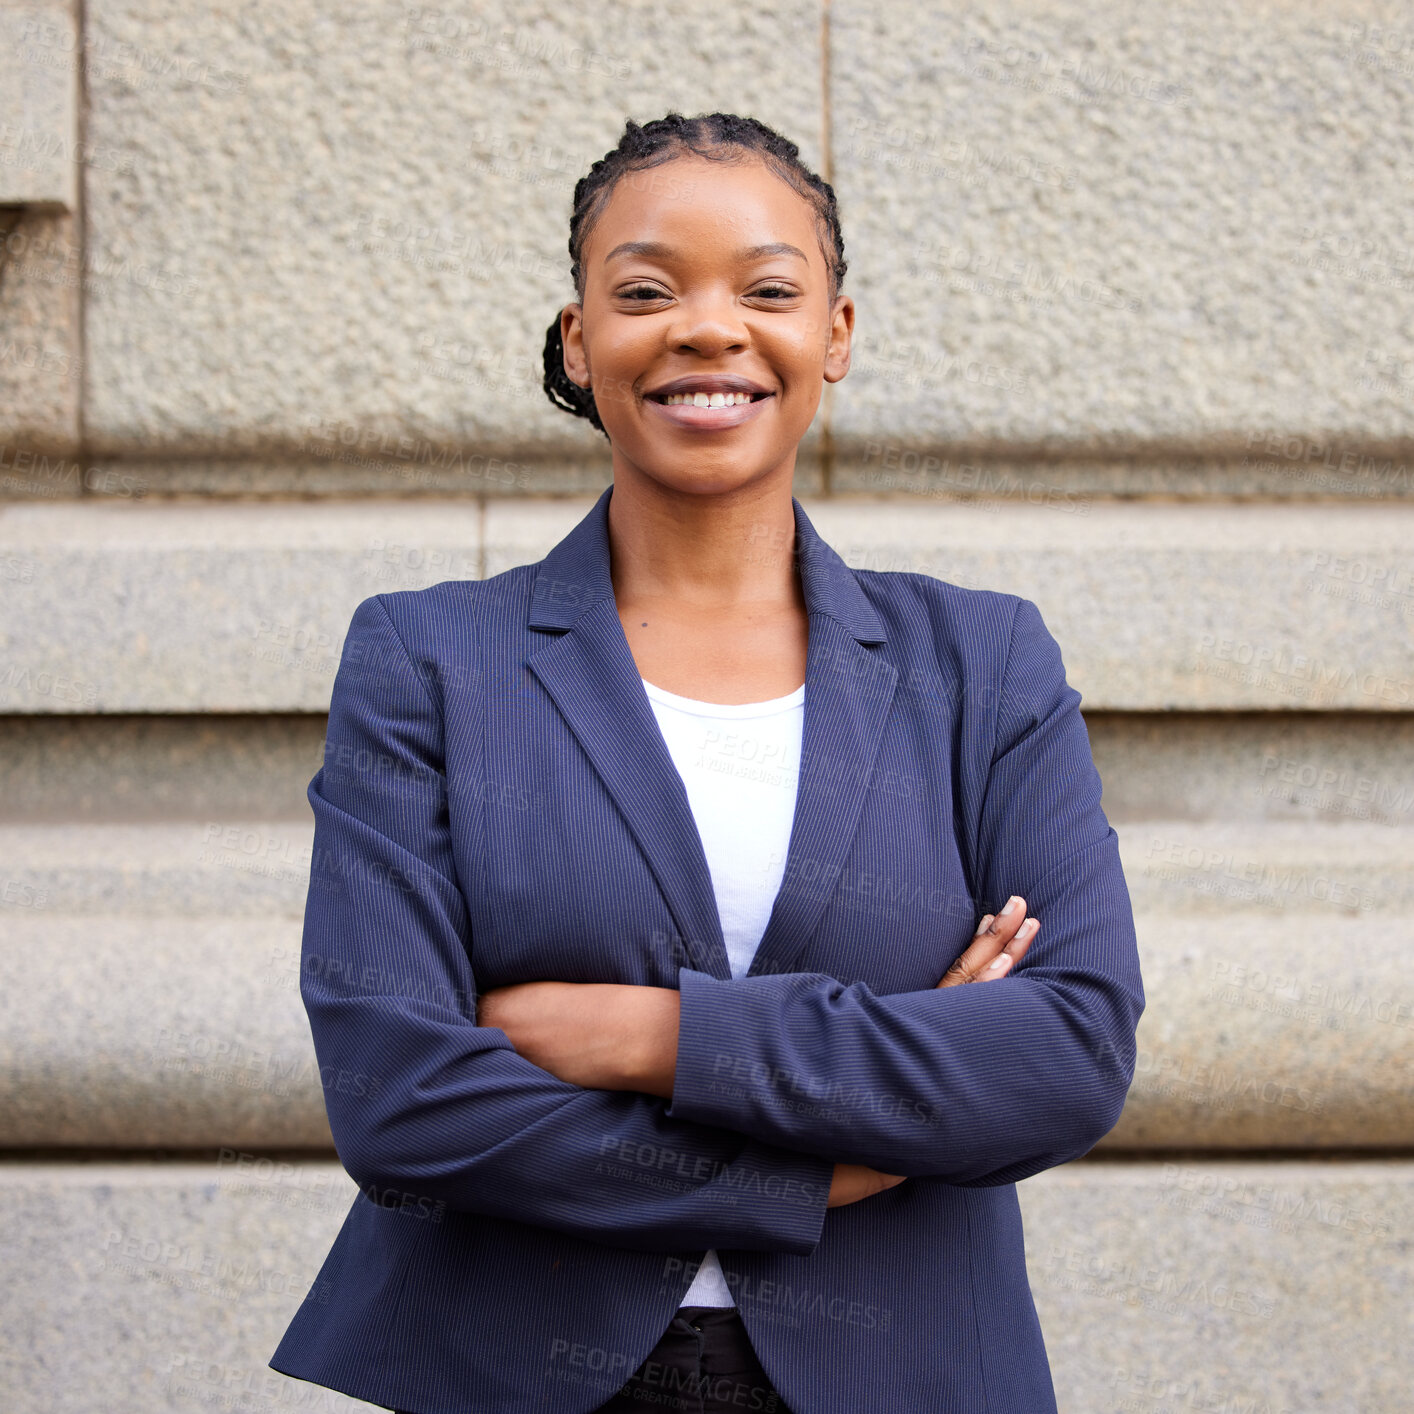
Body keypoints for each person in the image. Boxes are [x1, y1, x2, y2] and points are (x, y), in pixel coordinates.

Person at [269, 111, 1144, 1414]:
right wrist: (823, 1161)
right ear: (581, 338)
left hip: (901, 1376)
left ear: (833, 334)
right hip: (516, 1377)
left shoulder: (981, 662)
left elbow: (1062, 1053)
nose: (706, 328)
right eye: (643, 290)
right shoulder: (428, 659)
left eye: (768, 288)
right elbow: (401, 1100)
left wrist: (655, 1032)